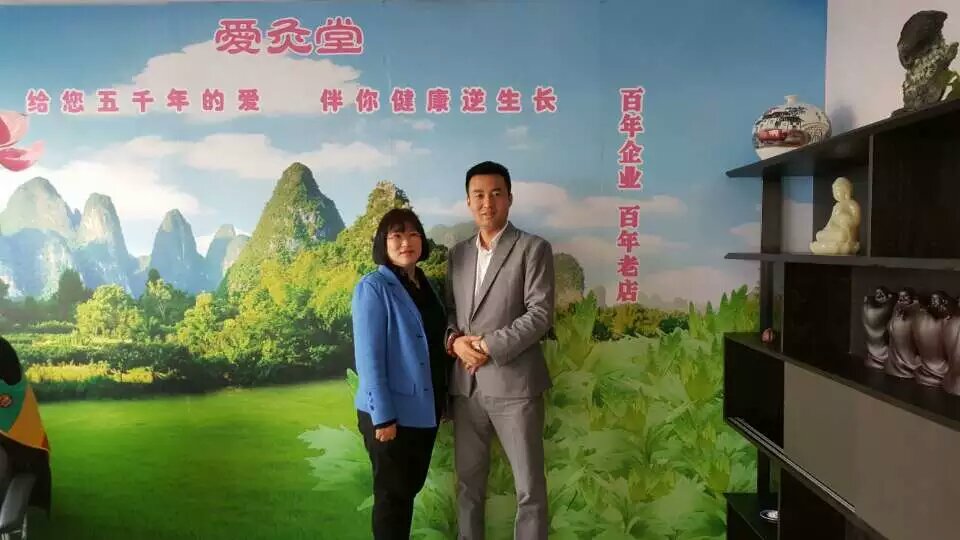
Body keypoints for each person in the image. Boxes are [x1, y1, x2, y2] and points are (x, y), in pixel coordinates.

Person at [444, 161, 555, 540]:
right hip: (467, 389)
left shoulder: (533, 249)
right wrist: (455, 342)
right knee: (468, 487)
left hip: (516, 388)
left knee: (529, 490)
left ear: (509, 198)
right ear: (468, 201)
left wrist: (488, 345)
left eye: (495, 194)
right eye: (478, 195)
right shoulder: (457, 255)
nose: (486, 203)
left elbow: (540, 314)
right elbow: (449, 313)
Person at [352, 208, 450, 540]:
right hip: (390, 416)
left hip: (424, 411)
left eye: (413, 234)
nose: (406, 242)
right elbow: (369, 358)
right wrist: (382, 417)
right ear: (383, 242)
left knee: (407, 491)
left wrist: (442, 401)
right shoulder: (373, 287)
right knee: (392, 498)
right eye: (396, 235)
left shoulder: (426, 284)